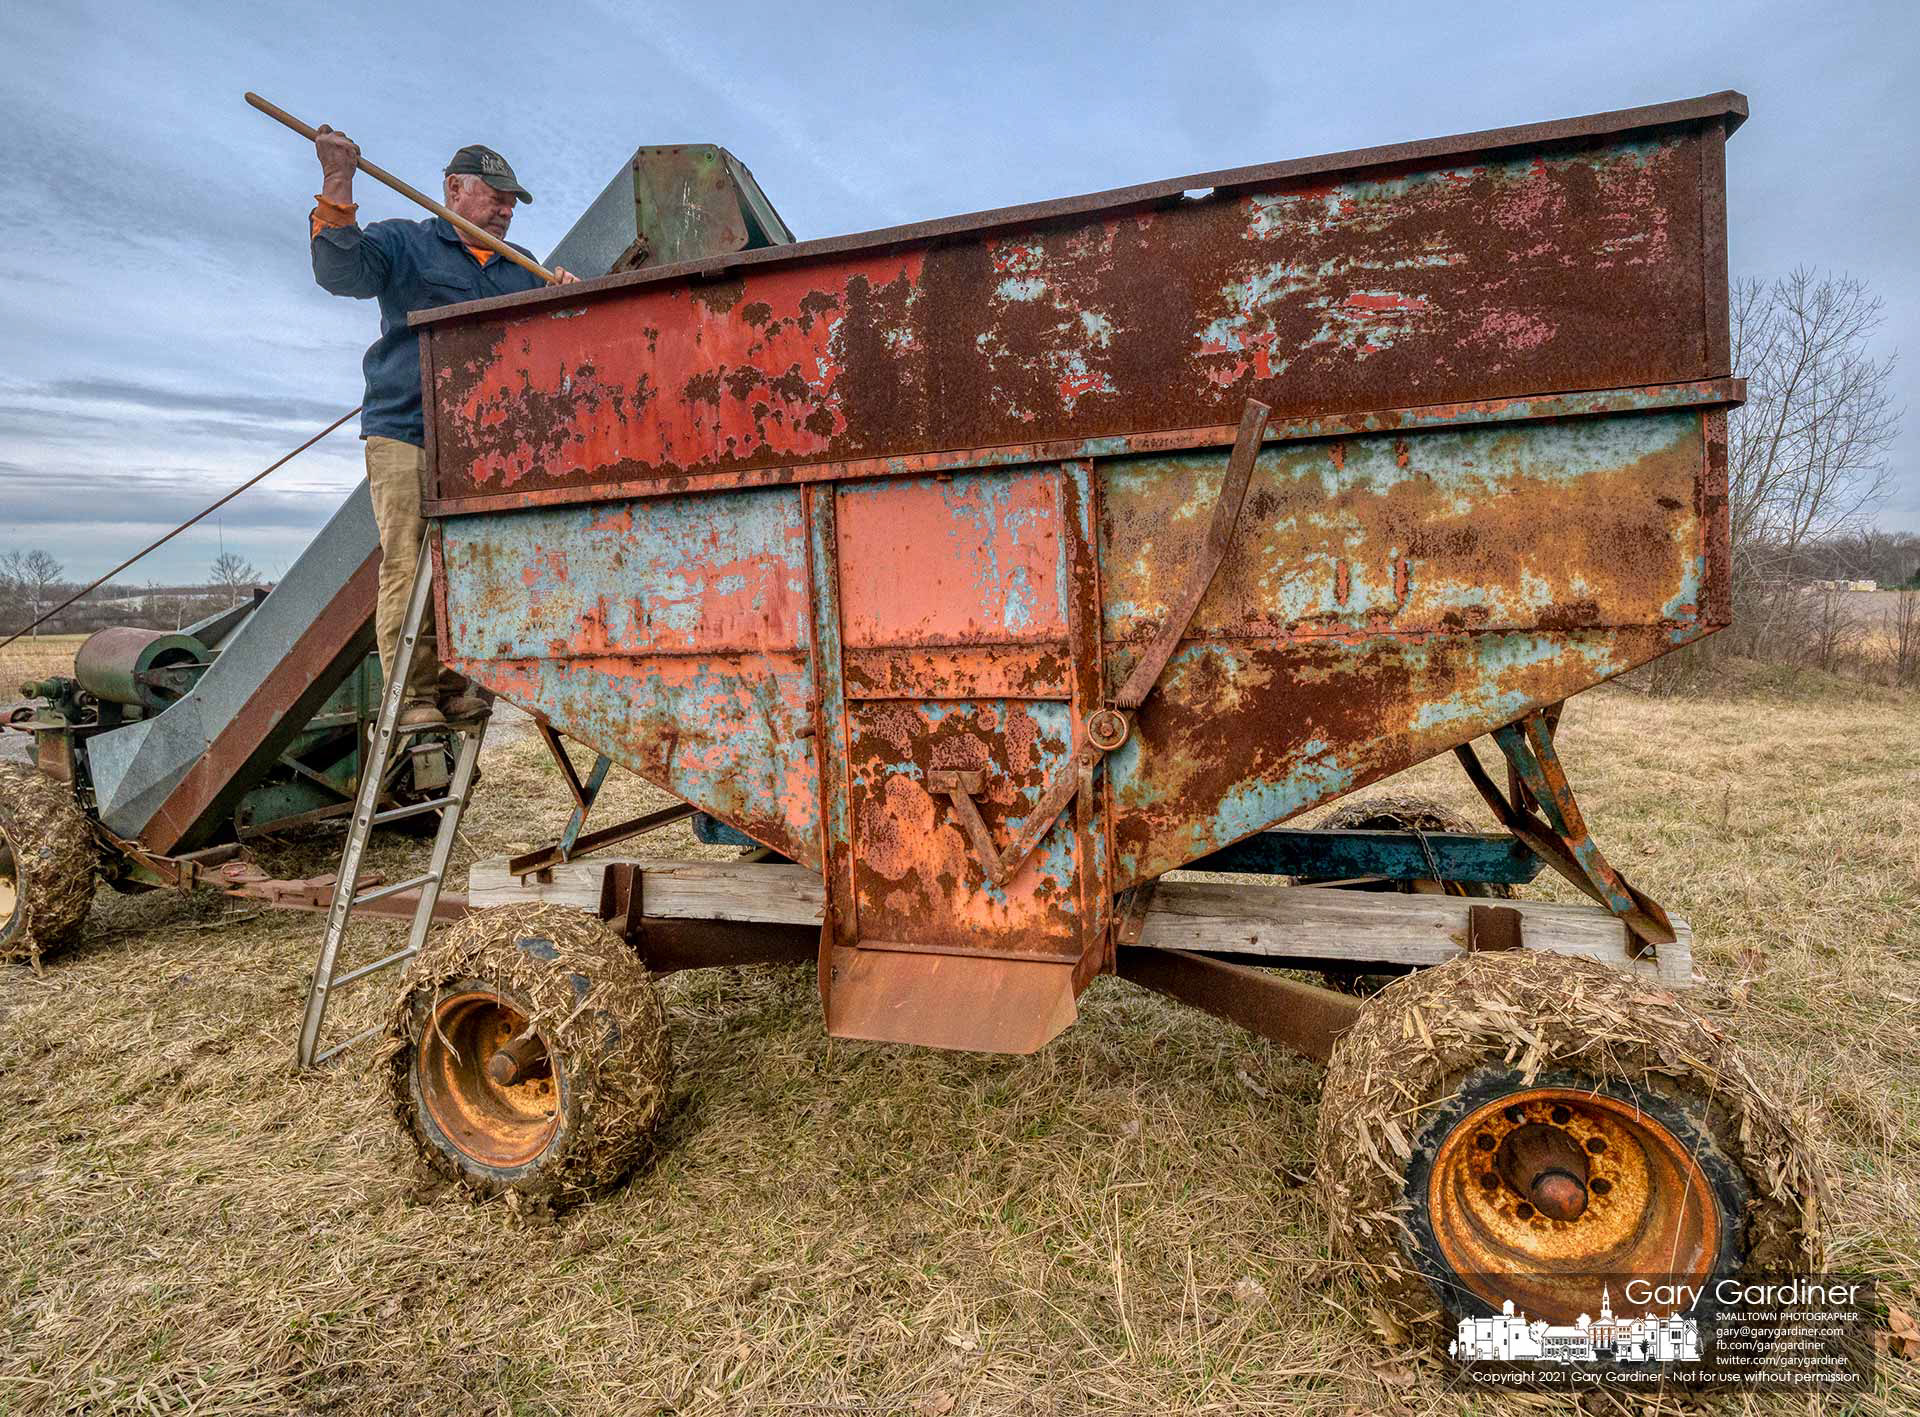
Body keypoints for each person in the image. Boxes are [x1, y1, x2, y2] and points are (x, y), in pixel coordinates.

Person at [308, 126, 578, 726]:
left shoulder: (520, 269)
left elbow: (545, 351)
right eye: (496, 197)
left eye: (512, 203)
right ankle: (412, 696)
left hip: (482, 445)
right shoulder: (405, 244)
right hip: (407, 428)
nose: (506, 210)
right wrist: (337, 179)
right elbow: (339, 272)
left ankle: (458, 686)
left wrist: (563, 301)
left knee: (474, 563)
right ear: (455, 189)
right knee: (409, 562)